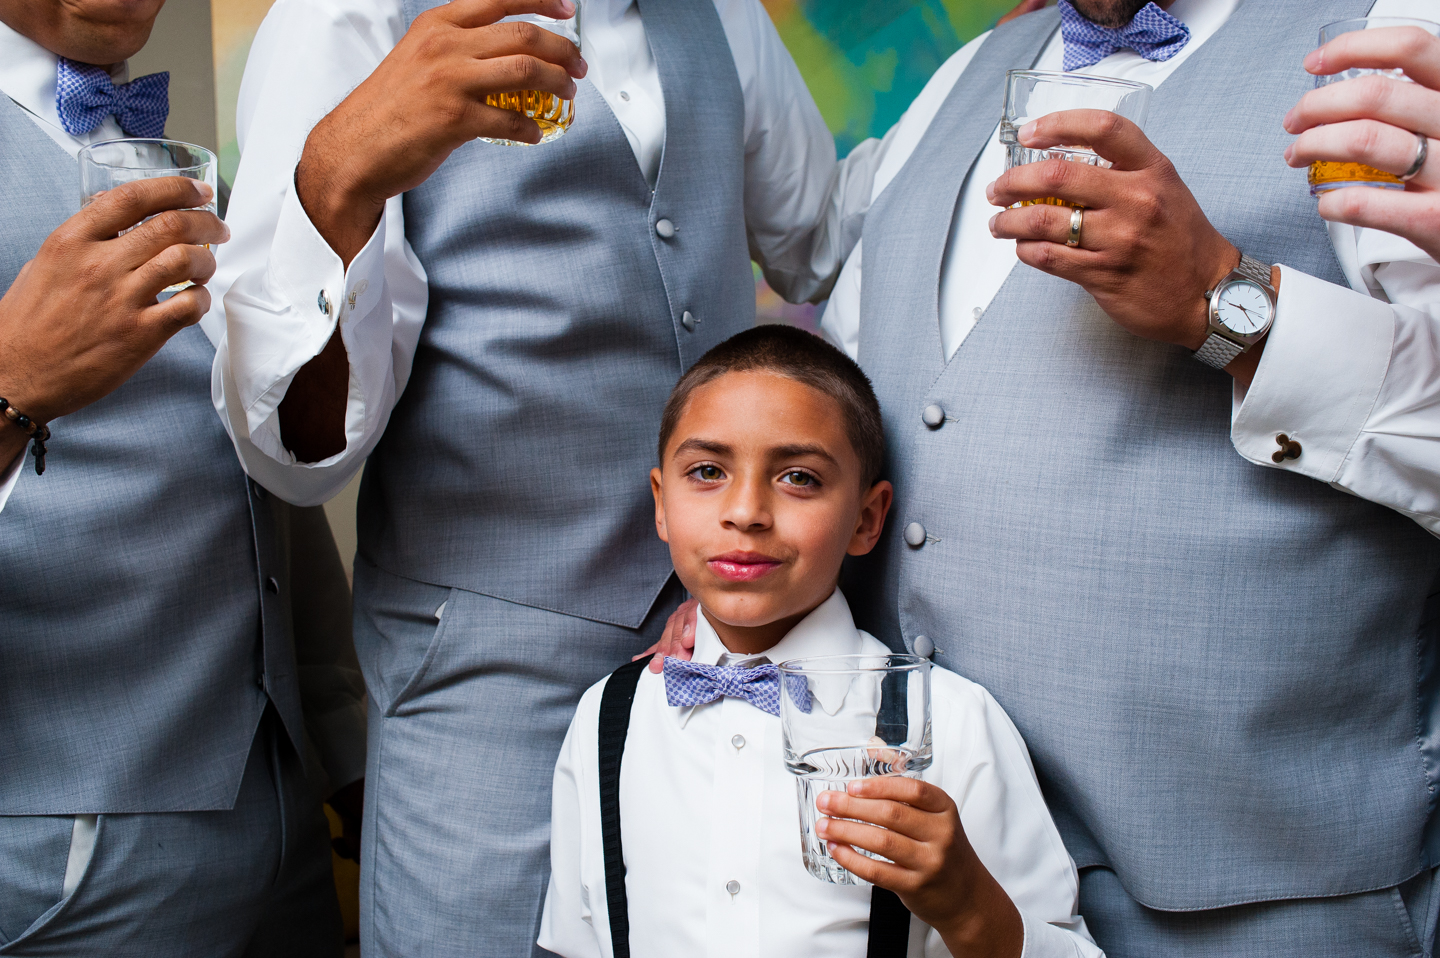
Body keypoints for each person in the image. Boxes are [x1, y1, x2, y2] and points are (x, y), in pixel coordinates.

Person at [649, 0, 1440, 954]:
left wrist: (1226, 304)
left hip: (1263, 882)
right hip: (953, 896)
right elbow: (852, 441)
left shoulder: (1390, 48)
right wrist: (751, 601)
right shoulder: (960, 84)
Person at [210, 0, 888, 953]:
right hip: (489, 673)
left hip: (726, 652)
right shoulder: (345, 15)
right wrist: (335, 188)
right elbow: (293, 451)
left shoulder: (719, 12)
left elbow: (818, 235)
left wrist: (984, 85)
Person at [539, 325, 1101, 958]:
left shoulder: (950, 722)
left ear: (866, 519)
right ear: (661, 505)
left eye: (799, 478)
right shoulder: (607, 719)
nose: (747, 510)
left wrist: (968, 905)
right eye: (707, 471)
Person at [0, 2, 366, 953]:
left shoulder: (179, 160)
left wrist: (340, 739)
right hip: (68, 843)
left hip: (278, 805)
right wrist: (12, 388)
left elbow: (239, 463)